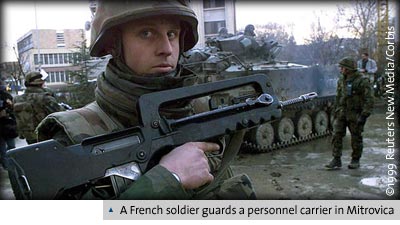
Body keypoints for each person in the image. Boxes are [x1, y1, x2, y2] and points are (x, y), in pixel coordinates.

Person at [36, 0, 255, 200]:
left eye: (172, 34)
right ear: (114, 45)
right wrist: (167, 180)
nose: (167, 49)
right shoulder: (74, 137)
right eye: (147, 33)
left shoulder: (198, 109)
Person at [325, 57, 374, 170]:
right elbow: (338, 96)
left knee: (356, 137)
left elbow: (369, 99)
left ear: (348, 69)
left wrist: (364, 115)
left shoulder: (362, 81)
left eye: (342, 68)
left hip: (355, 113)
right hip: (342, 112)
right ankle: (336, 159)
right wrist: (335, 110)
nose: (340, 69)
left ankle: (355, 160)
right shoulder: (341, 80)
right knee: (336, 135)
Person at [13, 71, 65, 144]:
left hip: (29, 136)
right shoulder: (45, 98)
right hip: (46, 136)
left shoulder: (17, 99)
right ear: (41, 83)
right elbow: (60, 115)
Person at [0, 79, 17, 168]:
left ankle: (9, 165)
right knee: (3, 148)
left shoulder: (6, 96)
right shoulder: (6, 95)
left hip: (7, 125)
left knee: (10, 146)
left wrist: (8, 110)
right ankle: (7, 165)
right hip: (6, 125)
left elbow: (13, 108)